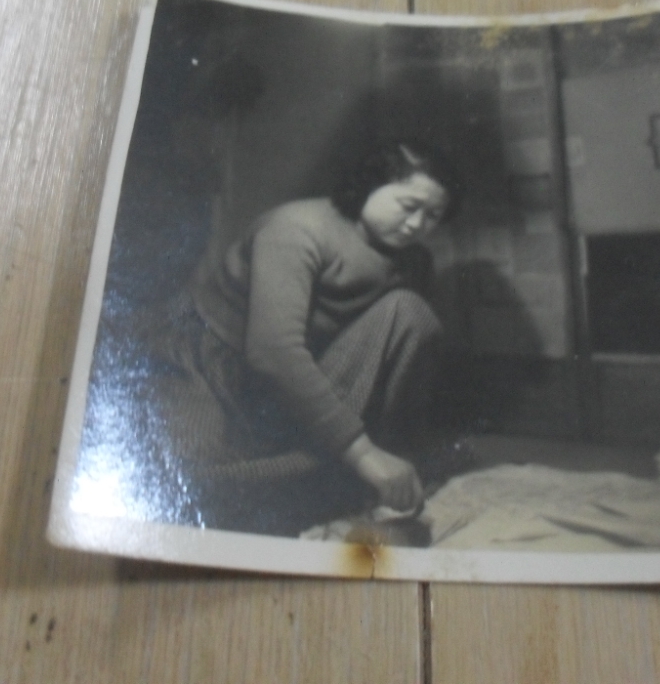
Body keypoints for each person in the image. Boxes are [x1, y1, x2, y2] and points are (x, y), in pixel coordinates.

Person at [172, 141, 461, 530]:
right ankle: (336, 471)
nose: (416, 225)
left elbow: (404, 358)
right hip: (211, 368)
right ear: (370, 184)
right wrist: (363, 455)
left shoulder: (414, 260)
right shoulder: (295, 229)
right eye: (409, 206)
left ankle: (375, 466)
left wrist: (391, 451)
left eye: (432, 216)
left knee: (411, 311)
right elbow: (273, 352)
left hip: (304, 375)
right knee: (193, 487)